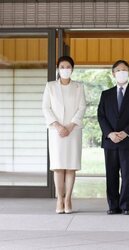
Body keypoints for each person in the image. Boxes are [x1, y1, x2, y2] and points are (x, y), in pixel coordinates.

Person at [97, 60, 129, 215]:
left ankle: (125, 206)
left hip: (128, 140)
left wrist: (125, 132)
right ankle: (113, 205)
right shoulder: (106, 94)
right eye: (118, 70)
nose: (121, 72)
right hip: (110, 141)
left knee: (126, 175)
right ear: (113, 73)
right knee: (111, 174)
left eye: (124, 70)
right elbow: (101, 116)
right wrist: (110, 133)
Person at [42, 56, 86, 214]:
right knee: (58, 167)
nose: (65, 69)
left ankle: (68, 198)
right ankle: (59, 199)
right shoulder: (51, 86)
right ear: (58, 69)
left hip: (73, 131)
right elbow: (46, 108)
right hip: (56, 132)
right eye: (62, 66)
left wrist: (70, 125)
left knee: (71, 167)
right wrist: (58, 126)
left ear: (72, 69)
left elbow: (82, 107)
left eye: (68, 66)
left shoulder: (79, 87)